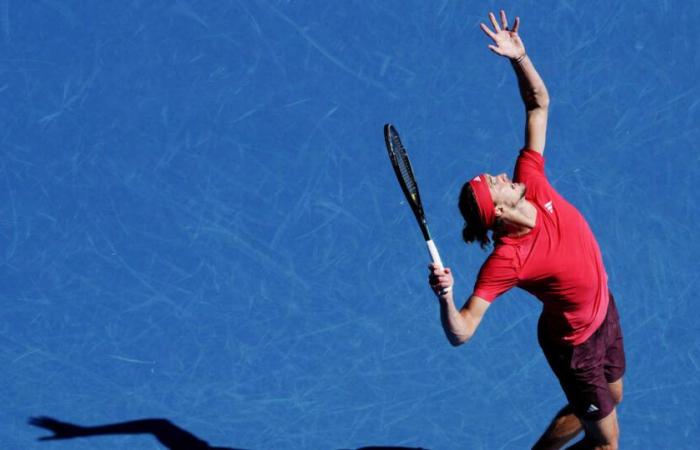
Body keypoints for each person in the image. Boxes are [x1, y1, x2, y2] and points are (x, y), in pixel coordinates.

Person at [428, 11, 626, 450]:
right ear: (498, 210)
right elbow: (462, 331)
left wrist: (520, 57)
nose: (502, 173)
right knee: (608, 444)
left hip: (602, 309)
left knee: (613, 396)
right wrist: (446, 296)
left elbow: (539, 103)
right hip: (575, 346)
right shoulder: (507, 259)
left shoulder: (530, 180)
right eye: (495, 182)